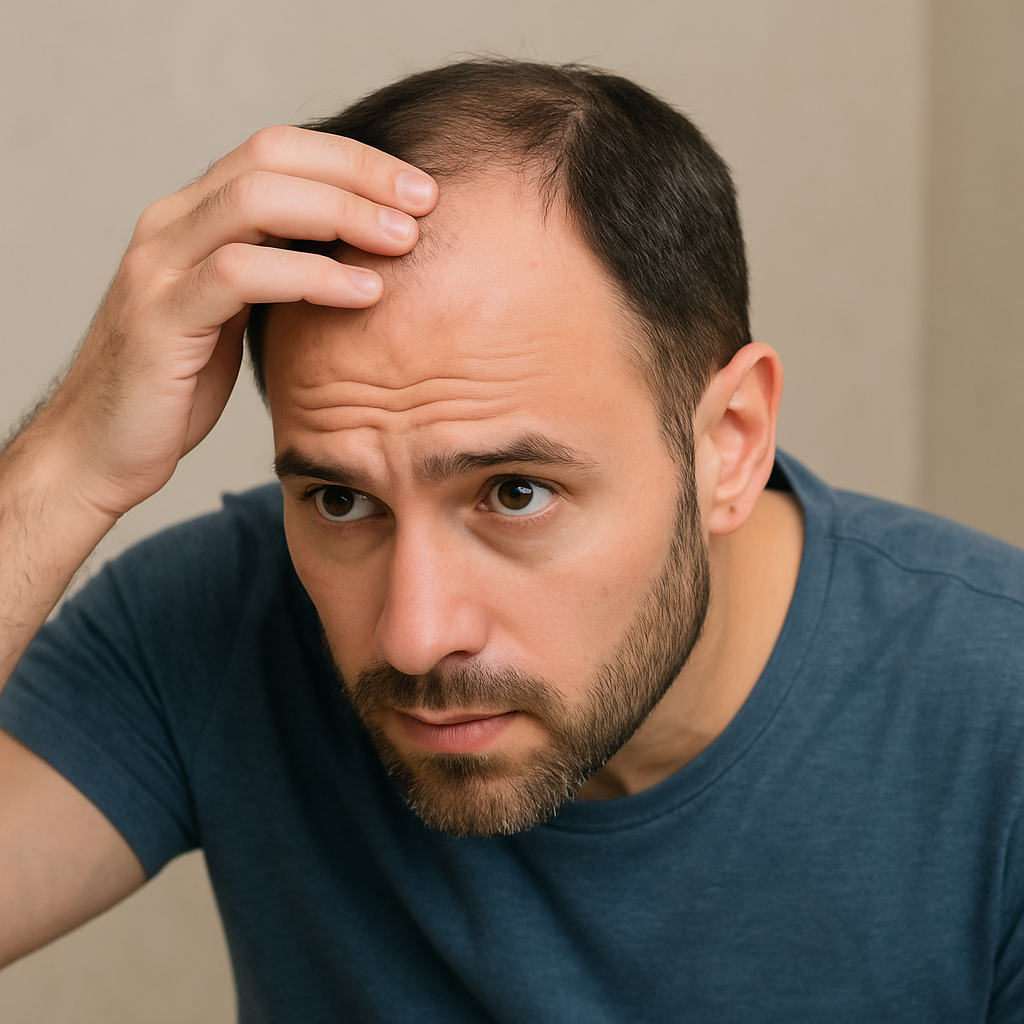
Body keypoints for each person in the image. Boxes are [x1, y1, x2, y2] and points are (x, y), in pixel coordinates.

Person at [0, 58, 1022, 1022]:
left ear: (730, 444)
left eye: (515, 492)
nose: (413, 635)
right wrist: (65, 467)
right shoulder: (216, 618)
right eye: (341, 501)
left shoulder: (998, 717)